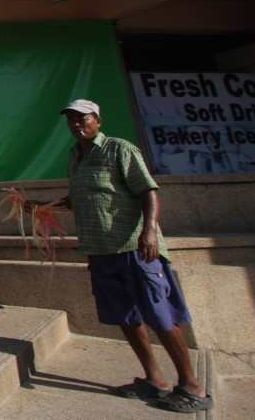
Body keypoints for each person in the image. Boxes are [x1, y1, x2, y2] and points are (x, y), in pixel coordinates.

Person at [27, 99, 211, 413]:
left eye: (82, 119)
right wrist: (40, 206)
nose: (76, 125)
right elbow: (78, 199)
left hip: (135, 248)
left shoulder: (119, 149)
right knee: (125, 317)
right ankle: (155, 379)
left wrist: (149, 231)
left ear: (97, 120)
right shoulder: (75, 156)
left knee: (160, 314)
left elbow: (148, 191)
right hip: (101, 251)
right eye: (71, 120)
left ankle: (191, 385)